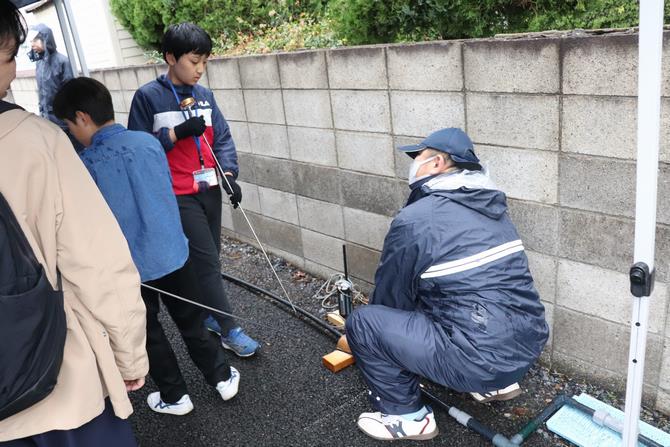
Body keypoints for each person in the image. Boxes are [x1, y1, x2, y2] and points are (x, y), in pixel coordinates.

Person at [0, 2, 148, 445]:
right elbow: (97, 262)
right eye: (8, 57)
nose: (12, 72)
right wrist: (129, 355)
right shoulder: (36, 140)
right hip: (56, 381)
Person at [345, 128, 549, 441]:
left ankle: (407, 417)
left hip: (479, 360)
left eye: (419, 157)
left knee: (364, 323)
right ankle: (496, 385)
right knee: (448, 295)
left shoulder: (417, 218)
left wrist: (372, 343)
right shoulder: (493, 208)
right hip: (527, 345)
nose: (414, 164)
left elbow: (392, 296)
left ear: (438, 162)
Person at [53, 76, 241, 416]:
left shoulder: (86, 164)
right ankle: (222, 377)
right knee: (192, 322)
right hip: (174, 252)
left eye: (69, 125)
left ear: (82, 117)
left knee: (148, 331)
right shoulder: (149, 144)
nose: (72, 133)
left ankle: (175, 396)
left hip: (129, 268)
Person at [128, 22, 259, 357]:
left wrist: (228, 174)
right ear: (170, 58)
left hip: (208, 189)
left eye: (205, 62)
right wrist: (176, 133)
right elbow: (137, 150)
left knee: (208, 257)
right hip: (177, 194)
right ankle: (229, 329)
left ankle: (208, 315)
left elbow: (223, 139)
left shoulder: (205, 96)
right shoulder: (148, 97)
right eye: (194, 61)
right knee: (208, 262)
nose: (200, 69)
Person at [26, 23, 81, 151]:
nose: (32, 44)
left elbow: (70, 92)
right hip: (47, 119)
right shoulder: (39, 63)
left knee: (70, 150)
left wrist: (67, 118)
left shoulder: (62, 61)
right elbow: (41, 92)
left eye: (35, 40)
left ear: (46, 39)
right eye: (31, 41)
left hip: (63, 120)